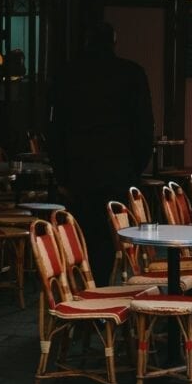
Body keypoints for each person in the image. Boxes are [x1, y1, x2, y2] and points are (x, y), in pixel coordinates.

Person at [48, 22, 154, 283]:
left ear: (86, 42)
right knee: (110, 235)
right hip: (118, 170)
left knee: (83, 232)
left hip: (79, 171)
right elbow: (144, 128)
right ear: (113, 42)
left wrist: (61, 174)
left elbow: (54, 128)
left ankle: (87, 285)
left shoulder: (66, 75)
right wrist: (133, 169)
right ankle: (103, 286)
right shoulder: (131, 74)